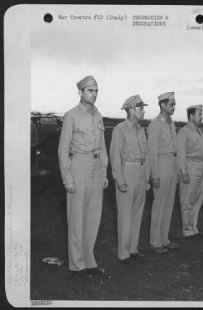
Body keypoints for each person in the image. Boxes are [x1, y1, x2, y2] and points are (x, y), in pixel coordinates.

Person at [58, 76, 109, 279]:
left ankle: (89, 261)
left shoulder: (98, 116)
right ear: (80, 92)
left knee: (93, 217)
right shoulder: (71, 116)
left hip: (96, 167)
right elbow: (63, 150)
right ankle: (77, 265)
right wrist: (67, 178)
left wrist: (104, 171)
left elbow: (103, 146)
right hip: (78, 165)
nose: (94, 94)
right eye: (90, 90)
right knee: (77, 217)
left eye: (96, 90)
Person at [110, 95, 150, 265]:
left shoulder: (141, 130)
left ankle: (133, 249)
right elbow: (115, 156)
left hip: (140, 173)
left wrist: (147, 178)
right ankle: (123, 253)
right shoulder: (120, 129)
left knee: (137, 213)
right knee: (125, 214)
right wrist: (120, 180)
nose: (144, 111)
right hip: (127, 171)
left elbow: (146, 156)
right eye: (141, 109)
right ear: (132, 110)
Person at [147, 92, 180, 254]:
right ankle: (155, 241)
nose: (174, 107)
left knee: (168, 204)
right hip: (161, 164)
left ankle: (164, 238)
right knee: (159, 204)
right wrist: (155, 175)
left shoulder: (170, 123)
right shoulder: (155, 125)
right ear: (162, 105)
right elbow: (152, 152)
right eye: (171, 104)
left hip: (172, 164)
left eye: (174, 104)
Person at [177, 105, 203, 239]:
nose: (202, 117)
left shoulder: (199, 131)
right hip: (190, 165)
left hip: (201, 165)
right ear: (191, 116)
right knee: (187, 199)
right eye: (199, 114)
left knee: (197, 199)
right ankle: (187, 229)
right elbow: (181, 153)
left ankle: (193, 227)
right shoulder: (184, 132)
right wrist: (183, 171)